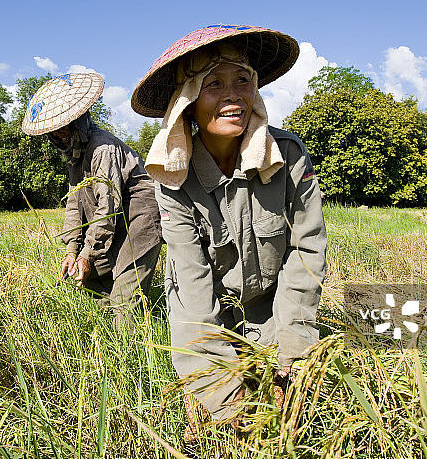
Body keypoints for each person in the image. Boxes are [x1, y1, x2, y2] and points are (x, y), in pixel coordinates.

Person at [130, 25, 327, 428]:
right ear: (188, 102)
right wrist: (222, 386)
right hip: (210, 317)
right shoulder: (173, 178)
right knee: (218, 415)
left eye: (242, 80)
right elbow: (191, 287)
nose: (233, 95)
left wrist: (293, 345)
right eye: (214, 84)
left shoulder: (288, 156)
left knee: (299, 401)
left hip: (274, 310)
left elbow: (306, 250)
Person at [21, 73, 162, 333]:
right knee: (87, 278)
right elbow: (74, 205)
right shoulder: (75, 155)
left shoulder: (101, 149)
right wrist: (72, 250)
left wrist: (87, 253)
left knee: (125, 299)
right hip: (114, 221)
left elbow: (108, 206)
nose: (60, 135)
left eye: (65, 128)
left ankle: (130, 348)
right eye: (54, 132)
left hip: (139, 220)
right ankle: (107, 338)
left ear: (79, 122)